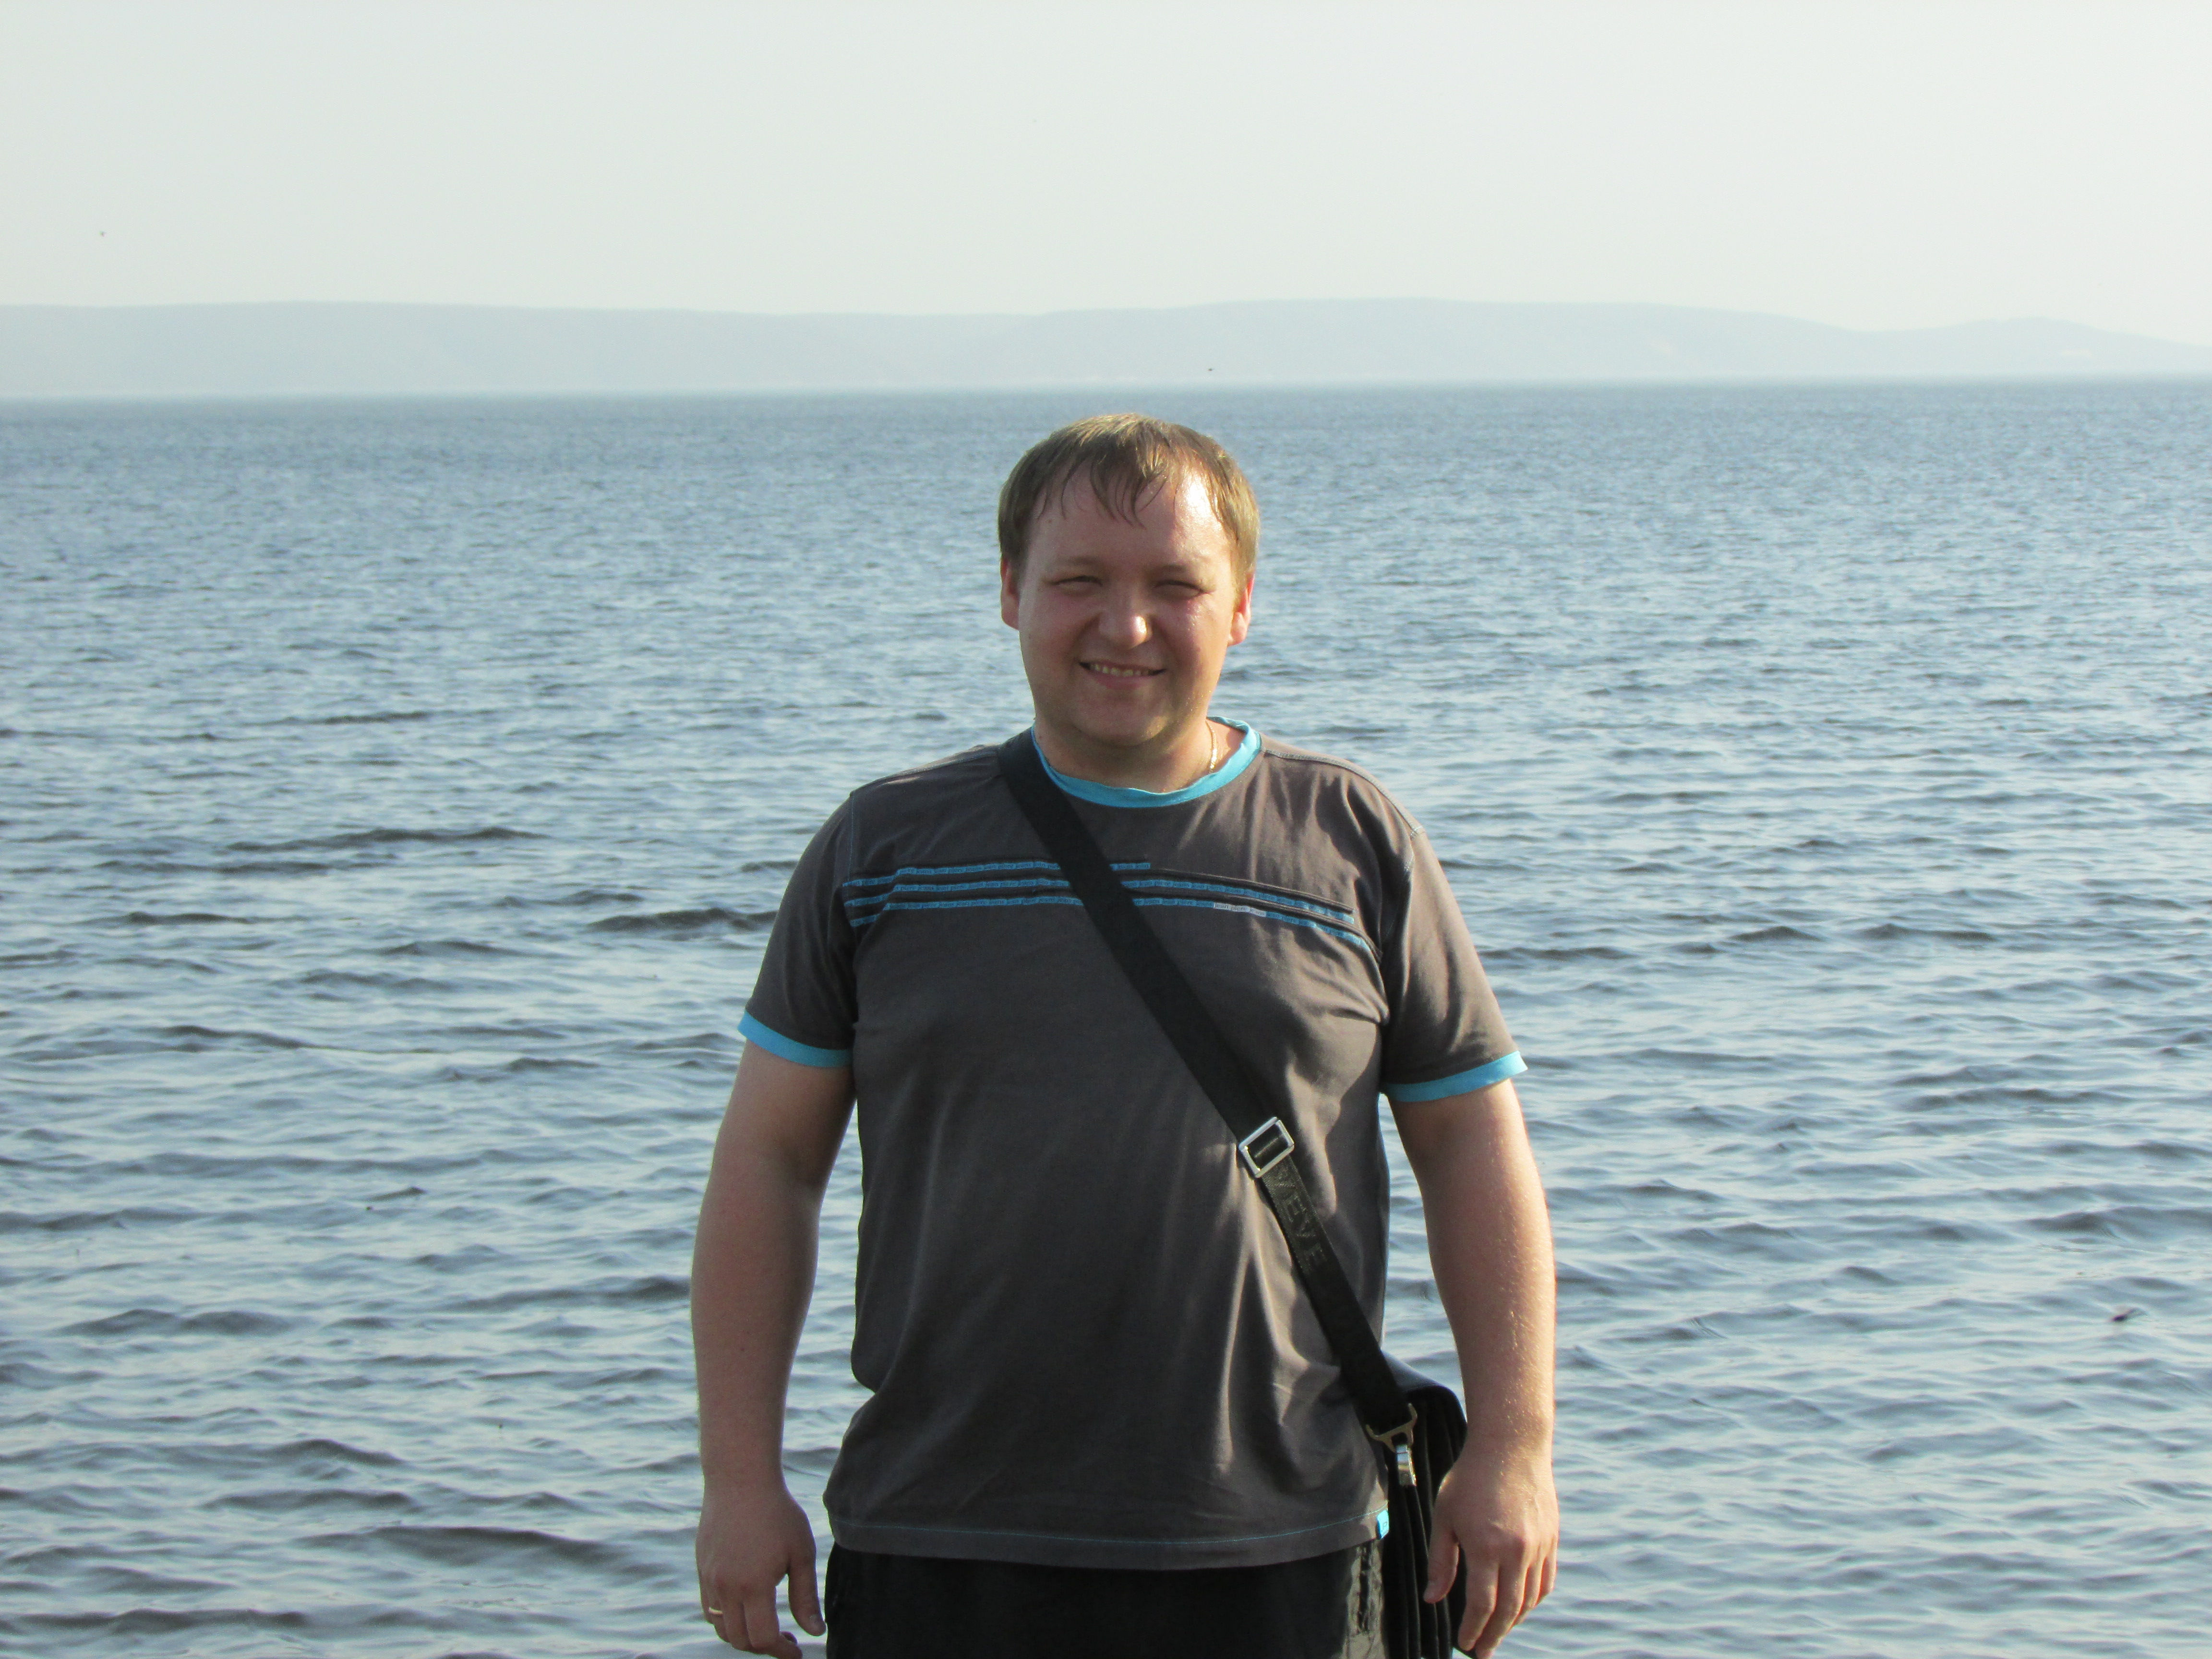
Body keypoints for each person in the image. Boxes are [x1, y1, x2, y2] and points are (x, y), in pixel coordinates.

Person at [691, 415, 1559, 1659]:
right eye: (1080, 582)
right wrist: (739, 1479)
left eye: (1175, 586)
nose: (1127, 625)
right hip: (942, 1541)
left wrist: (1516, 1448)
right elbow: (769, 1165)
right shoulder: (882, 852)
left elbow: (1474, 1150)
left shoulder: (1349, 841)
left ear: (1242, 605)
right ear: (1010, 591)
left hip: (1285, 1548)